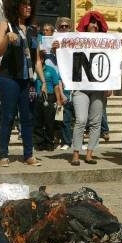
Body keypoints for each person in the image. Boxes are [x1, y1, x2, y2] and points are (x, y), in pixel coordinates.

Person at [0, 0, 47, 167]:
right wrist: (6, 39)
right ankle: (3, 155)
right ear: (15, 6)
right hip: (9, 79)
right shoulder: (5, 25)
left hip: (28, 81)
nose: (28, 7)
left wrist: (43, 80)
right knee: (8, 116)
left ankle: (28, 155)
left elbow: (37, 59)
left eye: (30, 5)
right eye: (24, 4)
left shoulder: (33, 30)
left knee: (28, 118)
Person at [70, 11, 111, 166]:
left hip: (99, 88)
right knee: (81, 120)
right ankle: (75, 153)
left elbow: (112, 63)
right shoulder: (75, 40)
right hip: (80, 87)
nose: (94, 25)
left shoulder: (106, 42)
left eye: (97, 23)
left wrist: (111, 85)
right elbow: (65, 56)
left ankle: (89, 154)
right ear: (86, 25)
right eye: (92, 22)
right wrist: (56, 49)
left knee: (96, 122)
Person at [32, 51, 61, 151]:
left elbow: (56, 86)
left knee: (49, 122)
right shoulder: (33, 71)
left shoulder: (51, 70)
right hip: (37, 97)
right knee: (37, 122)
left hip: (49, 97)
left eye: (38, 59)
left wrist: (58, 100)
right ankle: (39, 144)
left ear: (42, 59)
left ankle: (49, 143)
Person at [53, 17, 73, 151]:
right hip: (60, 84)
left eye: (66, 26)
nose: (64, 28)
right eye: (61, 26)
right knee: (64, 118)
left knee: (78, 118)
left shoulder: (75, 40)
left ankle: (78, 141)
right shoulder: (53, 41)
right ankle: (65, 141)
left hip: (74, 83)